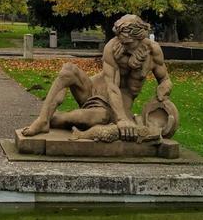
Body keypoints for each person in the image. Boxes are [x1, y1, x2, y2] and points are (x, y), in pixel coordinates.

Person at [21, 14, 172, 141]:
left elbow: (165, 80)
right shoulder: (112, 47)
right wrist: (122, 120)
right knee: (68, 70)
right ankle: (42, 119)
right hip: (92, 91)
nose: (123, 46)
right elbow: (112, 86)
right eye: (121, 42)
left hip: (112, 107)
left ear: (140, 37)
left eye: (128, 43)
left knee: (97, 117)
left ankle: (54, 119)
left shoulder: (153, 52)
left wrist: (162, 95)